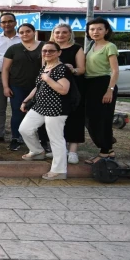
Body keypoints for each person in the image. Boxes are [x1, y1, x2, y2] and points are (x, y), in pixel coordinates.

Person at [18, 42, 72, 180]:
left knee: (56, 138)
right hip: (40, 106)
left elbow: (63, 90)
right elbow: (38, 87)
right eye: (44, 51)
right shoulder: (45, 67)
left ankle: (59, 170)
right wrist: (26, 100)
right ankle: (37, 151)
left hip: (56, 107)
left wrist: (48, 79)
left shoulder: (62, 69)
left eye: (51, 51)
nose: (47, 53)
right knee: (25, 129)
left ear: (59, 53)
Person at [2, 23, 49, 152]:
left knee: (41, 113)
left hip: (40, 86)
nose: (25, 34)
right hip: (17, 86)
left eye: (28, 31)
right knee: (18, 112)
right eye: (21, 32)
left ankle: (43, 140)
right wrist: (6, 86)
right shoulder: (13, 48)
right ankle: (16, 139)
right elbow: (5, 69)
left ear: (34, 32)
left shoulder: (44, 46)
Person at [83, 17, 119, 164]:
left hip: (103, 84)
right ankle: (108, 148)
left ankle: (104, 152)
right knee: (89, 119)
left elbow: (115, 71)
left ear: (106, 31)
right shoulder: (92, 45)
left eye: (99, 29)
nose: (95, 32)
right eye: (92, 29)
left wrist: (109, 90)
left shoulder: (109, 46)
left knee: (102, 119)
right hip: (90, 85)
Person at [0, 13, 22, 144]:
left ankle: (17, 135)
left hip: (18, 77)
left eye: (10, 21)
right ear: (0, 24)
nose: (7, 24)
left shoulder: (22, 38)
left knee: (18, 108)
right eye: (3, 22)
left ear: (15, 23)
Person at [52, 23, 85, 164]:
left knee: (75, 119)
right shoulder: (49, 48)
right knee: (57, 120)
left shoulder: (77, 48)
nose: (60, 35)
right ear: (53, 34)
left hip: (74, 89)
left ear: (70, 34)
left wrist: (73, 69)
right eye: (57, 32)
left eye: (64, 32)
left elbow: (82, 69)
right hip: (54, 89)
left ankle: (73, 151)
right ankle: (61, 149)